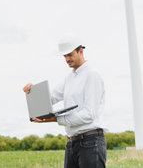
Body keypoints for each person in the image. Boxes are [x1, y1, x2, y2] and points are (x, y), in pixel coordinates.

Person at [23, 36, 106, 168]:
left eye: (70, 54)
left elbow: (89, 114)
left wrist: (56, 119)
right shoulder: (69, 77)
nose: (67, 59)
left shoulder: (92, 75)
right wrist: (32, 91)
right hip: (72, 142)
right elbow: (50, 98)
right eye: (64, 56)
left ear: (81, 51)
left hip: (91, 142)